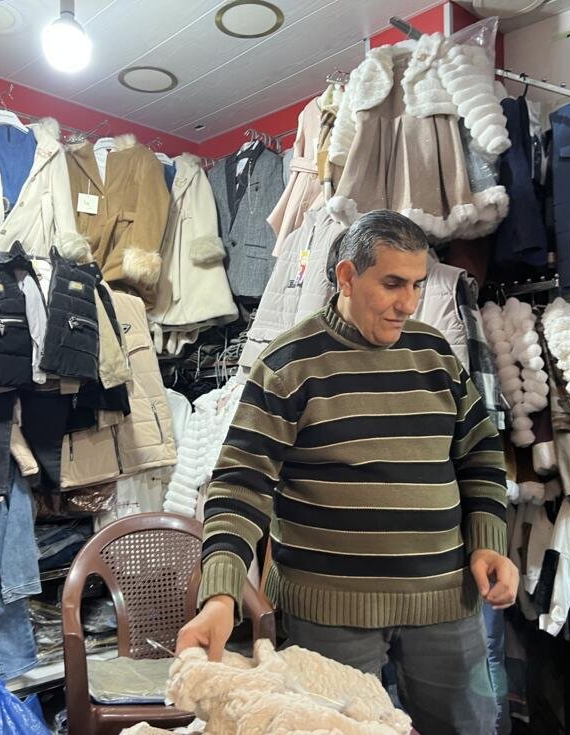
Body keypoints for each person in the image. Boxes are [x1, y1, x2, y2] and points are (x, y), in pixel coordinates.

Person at [176, 210, 518, 734]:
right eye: (393, 284)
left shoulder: (434, 354)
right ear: (347, 277)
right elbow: (240, 486)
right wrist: (221, 595)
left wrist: (488, 542)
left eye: (417, 285)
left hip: (446, 603)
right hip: (327, 616)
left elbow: (481, 453)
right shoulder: (288, 364)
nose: (408, 303)